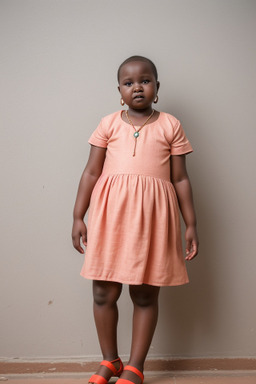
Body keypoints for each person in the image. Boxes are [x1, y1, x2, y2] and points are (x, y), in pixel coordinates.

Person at [72, 55, 199, 384]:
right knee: (103, 292)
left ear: (157, 89)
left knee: (144, 294)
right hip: (110, 218)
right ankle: (109, 361)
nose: (137, 87)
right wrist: (77, 215)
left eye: (145, 80)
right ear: (119, 91)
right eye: (129, 83)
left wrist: (191, 224)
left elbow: (181, 179)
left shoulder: (170, 125)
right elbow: (90, 171)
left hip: (153, 219)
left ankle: (135, 366)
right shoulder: (108, 124)